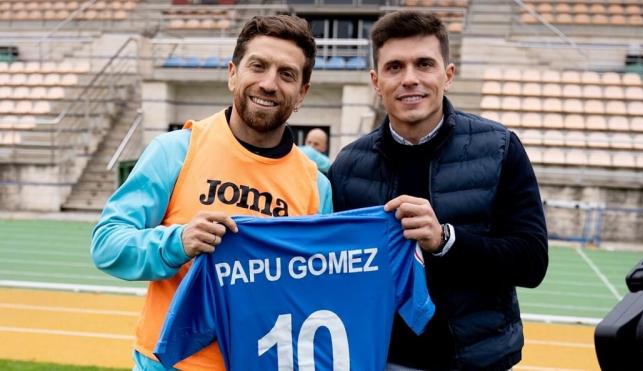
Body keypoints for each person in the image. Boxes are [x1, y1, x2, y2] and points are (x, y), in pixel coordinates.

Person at [91, 15, 331, 371]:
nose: (269, 83)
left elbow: (316, 291)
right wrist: (178, 242)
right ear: (232, 73)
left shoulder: (316, 185)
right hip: (168, 363)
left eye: (287, 74)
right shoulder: (176, 150)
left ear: (302, 93)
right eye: (258, 66)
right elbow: (107, 245)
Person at [328, 11, 548, 371]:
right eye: (395, 67)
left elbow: (532, 262)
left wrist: (446, 241)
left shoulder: (500, 148)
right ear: (375, 80)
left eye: (424, 64)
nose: (410, 79)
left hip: (478, 360)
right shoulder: (347, 165)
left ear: (447, 75)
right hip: (380, 359)